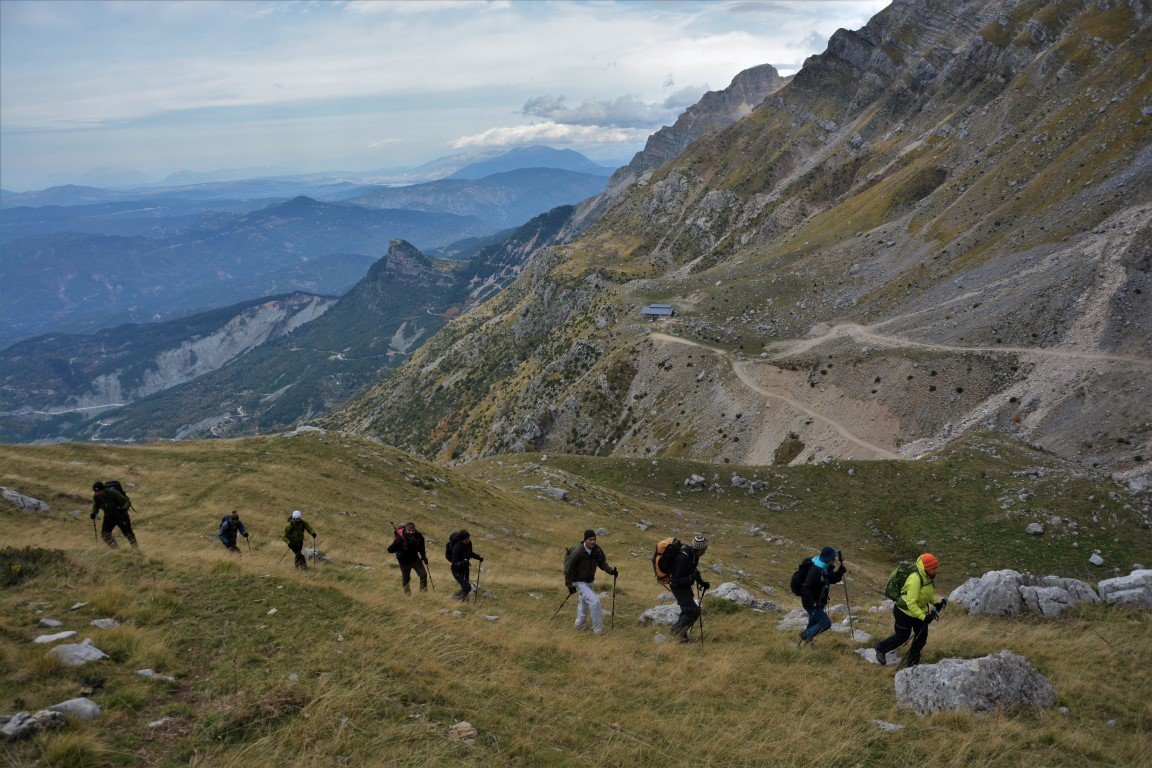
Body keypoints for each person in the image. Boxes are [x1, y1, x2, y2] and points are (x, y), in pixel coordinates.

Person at [874, 553, 944, 667]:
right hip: (904, 612)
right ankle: (880, 649)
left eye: (935, 568)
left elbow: (927, 594)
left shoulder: (928, 577)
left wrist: (936, 602)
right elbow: (911, 603)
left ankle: (912, 661)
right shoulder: (915, 579)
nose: (935, 571)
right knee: (902, 637)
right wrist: (924, 617)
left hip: (917, 612)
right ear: (926, 568)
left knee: (921, 637)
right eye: (933, 568)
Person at [564, 530, 619, 635]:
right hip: (579, 582)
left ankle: (579, 625)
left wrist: (611, 571)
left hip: (589, 581)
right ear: (585, 540)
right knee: (595, 601)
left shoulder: (596, 550)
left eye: (594, 539)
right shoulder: (578, 552)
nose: (593, 542)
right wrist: (569, 585)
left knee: (584, 603)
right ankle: (598, 631)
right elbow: (568, 570)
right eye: (590, 539)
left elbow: (602, 563)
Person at [798, 546, 846, 645]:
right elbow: (805, 588)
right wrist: (813, 603)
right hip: (812, 604)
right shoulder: (816, 570)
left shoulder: (824, 567)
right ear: (828, 559)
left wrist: (840, 572)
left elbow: (831, 579)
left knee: (814, 623)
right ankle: (805, 635)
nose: (835, 561)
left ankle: (806, 645)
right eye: (833, 559)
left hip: (818, 603)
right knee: (826, 623)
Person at [669, 535, 710, 642]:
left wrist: (702, 582)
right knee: (693, 612)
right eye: (703, 550)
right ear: (698, 549)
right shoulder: (683, 557)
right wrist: (692, 578)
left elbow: (693, 570)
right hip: (678, 587)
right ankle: (678, 633)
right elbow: (677, 580)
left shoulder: (694, 555)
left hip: (684, 586)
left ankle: (676, 631)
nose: (704, 552)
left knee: (686, 610)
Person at [90, 481, 137, 549]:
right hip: (108, 517)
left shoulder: (113, 493)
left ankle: (136, 551)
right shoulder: (96, 497)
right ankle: (117, 550)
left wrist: (123, 509)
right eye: (96, 492)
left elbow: (127, 502)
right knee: (105, 535)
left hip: (121, 516)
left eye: (99, 491)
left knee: (129, 534)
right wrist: (94, 513)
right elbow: (96, 506)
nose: (97, 493)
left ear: (103, 490)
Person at [387, 521, 429, 594]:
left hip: (415, 559)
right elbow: (390, 550)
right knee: (406, 579)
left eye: (412, 530)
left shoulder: (419, 536)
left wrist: (424, 558)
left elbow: (422, 549)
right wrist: (396, 543)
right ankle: (407, 594)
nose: (411, 532)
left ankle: (423, 592)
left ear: (415, 529)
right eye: (409, 530)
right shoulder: (400, 538)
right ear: (406, 529)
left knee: (423, 575)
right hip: (404, 561)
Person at [449, 529, 482, 600]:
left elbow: (470, 553)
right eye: (466, 539)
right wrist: (463, 562)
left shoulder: (469, 543)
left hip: (465, 568)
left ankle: (460, 599)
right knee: (467, 587)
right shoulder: (456, 547)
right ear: (461, 540)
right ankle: (458, 600)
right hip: (457, 571)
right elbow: (454, 563)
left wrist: (478, 557)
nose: (468, 540)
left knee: (465, 586)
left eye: (469, 539)